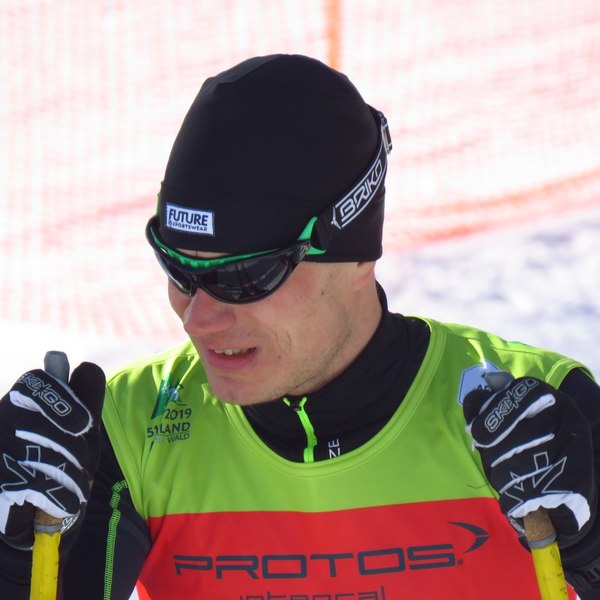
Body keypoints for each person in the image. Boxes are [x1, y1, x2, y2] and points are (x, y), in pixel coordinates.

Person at [0, 53, 599, 600]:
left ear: (357, 257)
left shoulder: (535, 415)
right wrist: (10, 562)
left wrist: (592, 550)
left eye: (245, 277)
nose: (198, 318)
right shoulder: (127, 432)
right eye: (178, 270)